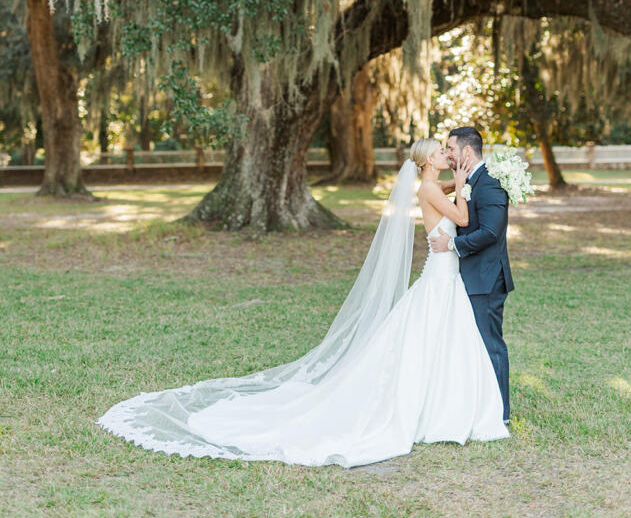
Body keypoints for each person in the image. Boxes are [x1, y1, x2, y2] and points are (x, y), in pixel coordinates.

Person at [97, 138, 508, 467]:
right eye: (441, 152)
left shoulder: (432, 185)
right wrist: (466, 188)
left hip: (443, 271)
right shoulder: (433, 187)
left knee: (437, 337)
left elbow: (451, 192)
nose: (447, 154)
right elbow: (465, 221)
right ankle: (436, 407)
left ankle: (442, 403)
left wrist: (466, 180)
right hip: (440, 273)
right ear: (427, 161)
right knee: (433, 335)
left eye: (449, 150)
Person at [430, 126, 514, 423]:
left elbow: (490, 232)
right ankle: (477, 404)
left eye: (450, 148)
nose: (448, 153)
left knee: (490, 344)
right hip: (467, 276)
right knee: (470, 344)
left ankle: (500, 413)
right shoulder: (469, 181)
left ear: (467, 152)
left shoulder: (489, 184)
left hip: (486, 279)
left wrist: (452, 243)